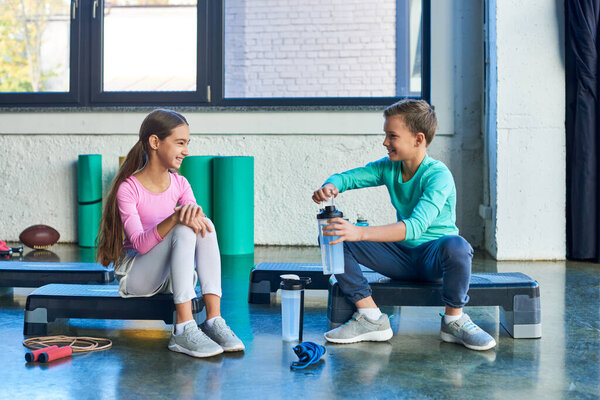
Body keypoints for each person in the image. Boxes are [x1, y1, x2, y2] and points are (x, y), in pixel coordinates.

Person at [312, 99, 496, 351]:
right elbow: (349, 178)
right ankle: (371, 317)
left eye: (392, 136)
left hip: (434, 260)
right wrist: (330, 185)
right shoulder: (389, 167)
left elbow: (415, 227)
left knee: (458, 246)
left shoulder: (437, 175)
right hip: (401, 257)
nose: (385, 142)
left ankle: (454, 320)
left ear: (418, 139)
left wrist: (359, 232)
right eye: (386, 135)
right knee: (332, 235)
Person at [97, 109, 244, 358]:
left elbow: (197, 224)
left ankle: (213, 320)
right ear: (155, 142)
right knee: (183, 228)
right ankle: (184, 328)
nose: (186, 150)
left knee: (204, 225)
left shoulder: (180, 184)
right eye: (180, 143)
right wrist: (175, 218)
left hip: (169, 278)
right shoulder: (129, 189)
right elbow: (141, 245)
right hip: (137, 277)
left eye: (187, 143)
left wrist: (188, 217)